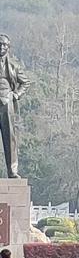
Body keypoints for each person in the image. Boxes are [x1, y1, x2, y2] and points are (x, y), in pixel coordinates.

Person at [0, 34, 30, 178]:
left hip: (7, 103)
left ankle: (12, 171)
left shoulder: (14, 66)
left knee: (10, 137)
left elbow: (25, 83)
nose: (1, 47)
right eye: (0, 44)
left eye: (4, 44)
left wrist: (16, 95)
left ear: (8, 47)